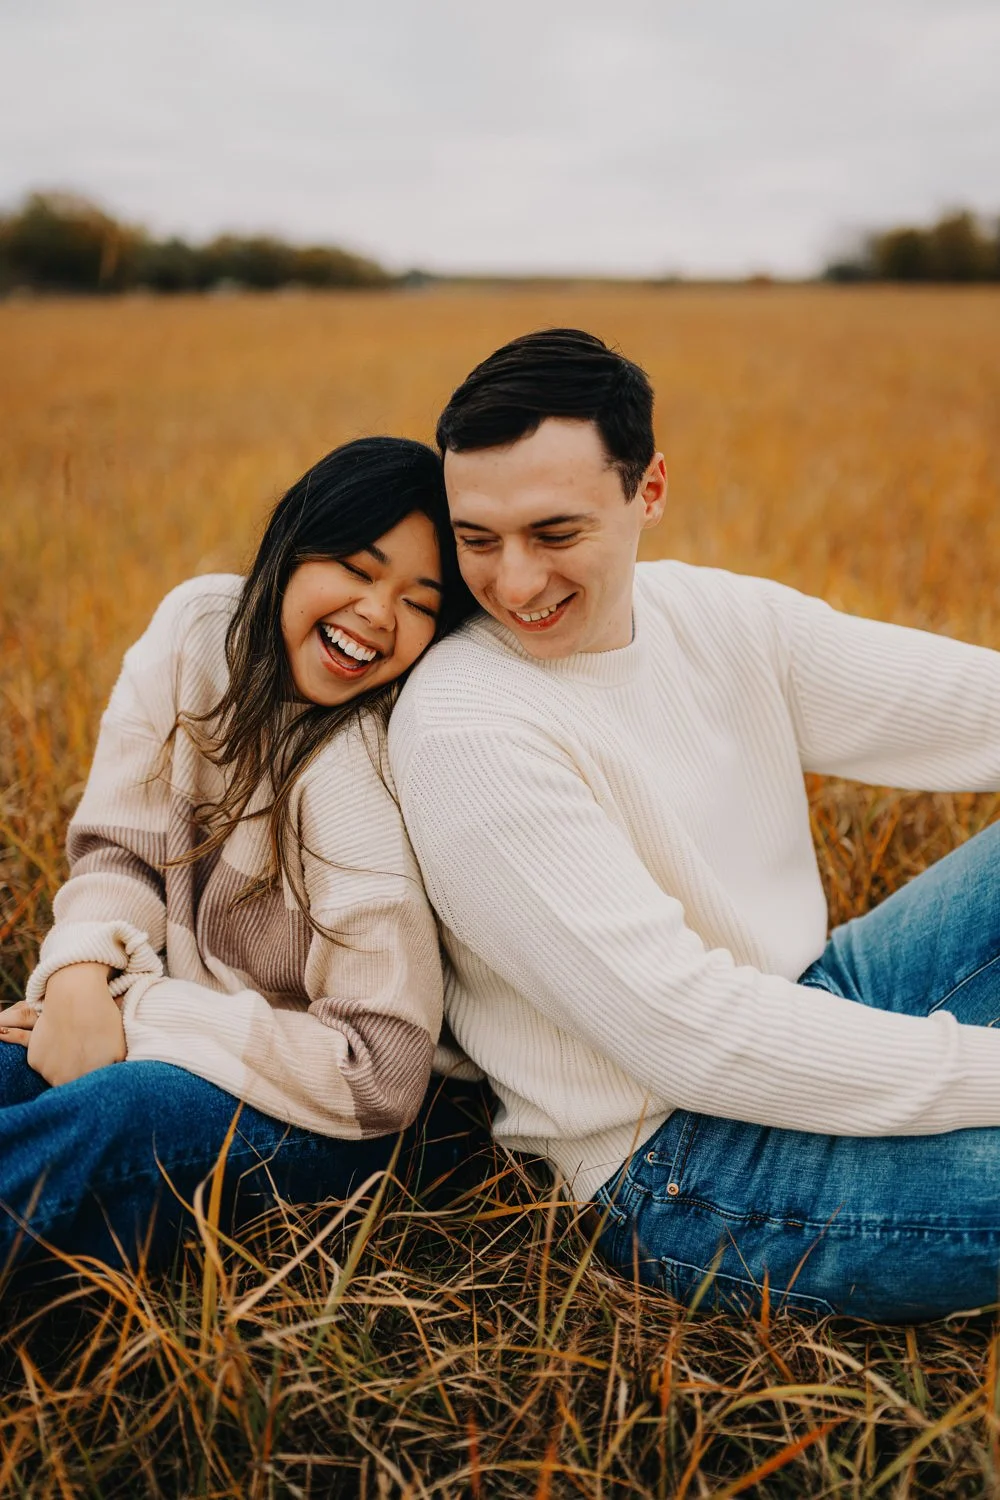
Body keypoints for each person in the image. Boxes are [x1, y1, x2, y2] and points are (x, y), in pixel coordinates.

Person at [388, 328, 1000, 1322]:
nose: (510, 584)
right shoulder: (469, 729)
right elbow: (691, 1037)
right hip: (676, 1163)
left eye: (554, 533)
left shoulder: (719, 618)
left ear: (650, 492)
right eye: (476, 539)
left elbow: (977, 705)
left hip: (813, 995)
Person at [0, 435, 478, 1277]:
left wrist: (140, 1016)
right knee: (12, 1063)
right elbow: (123, 848)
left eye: (420, 601)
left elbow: (382, 1070)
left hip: (343, 1121)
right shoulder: (197, 632)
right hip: (190, 1022)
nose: (377, 611)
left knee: (124, 1112)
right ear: (290, 547)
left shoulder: (362, 770)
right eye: (359, 569)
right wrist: (79, 977)